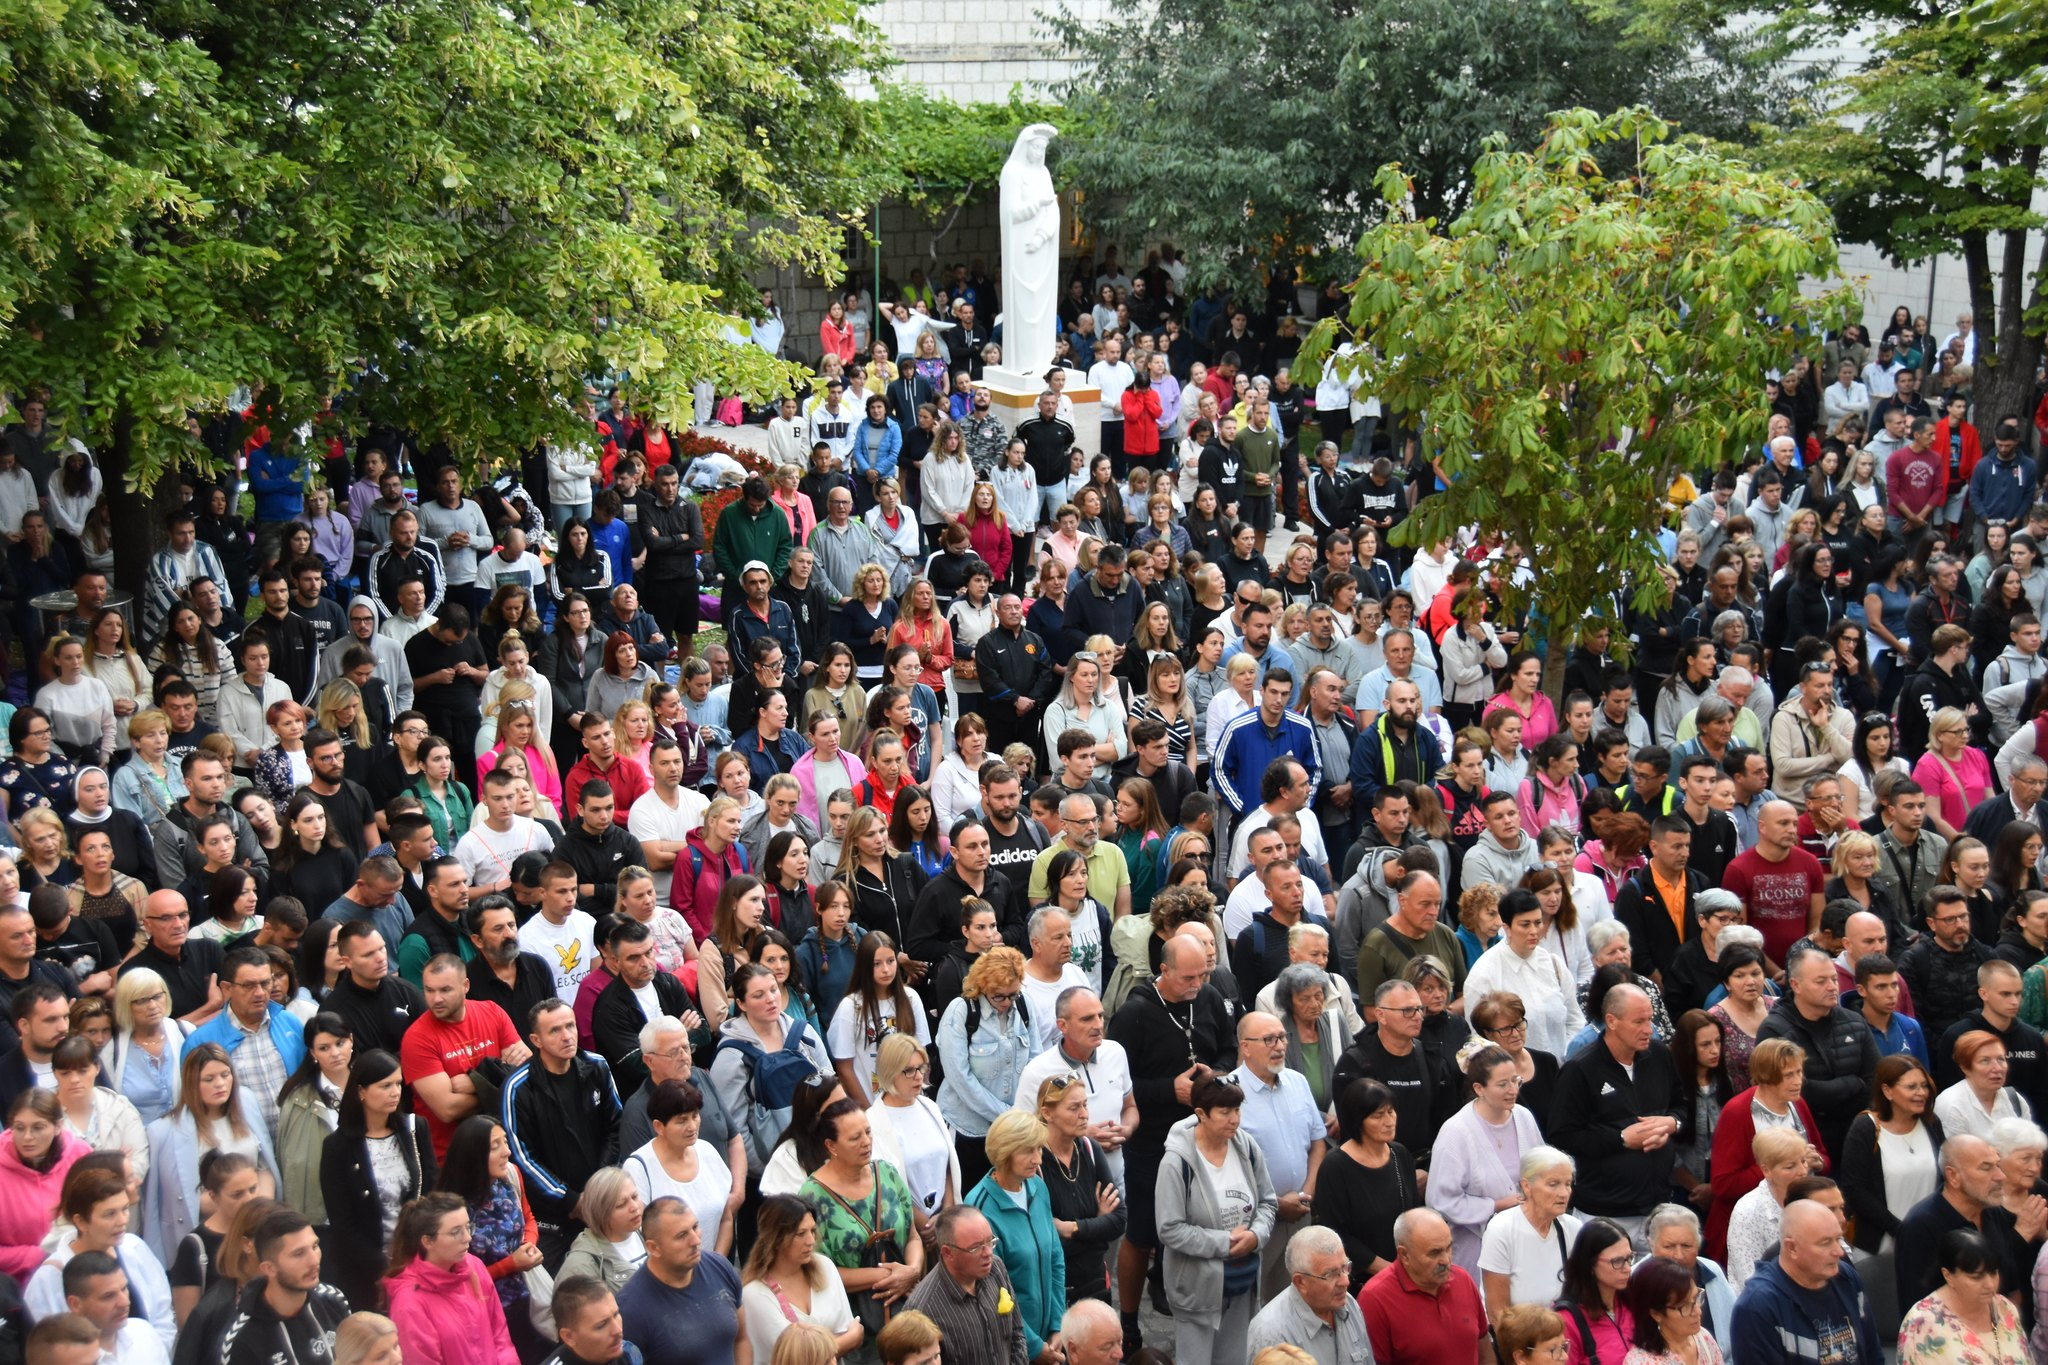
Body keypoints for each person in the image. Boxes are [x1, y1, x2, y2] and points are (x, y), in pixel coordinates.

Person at [1550, 984, 1688, 1245]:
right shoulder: (1580, 1069)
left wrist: (1672, 1123)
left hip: (1657, 1208)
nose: (1649, 1029)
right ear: (1611, 1021)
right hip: (1604, 1214)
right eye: (1639, 1021)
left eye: (1650, 1019)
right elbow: (1562, 1135)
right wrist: (1621, 1138)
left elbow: (1681, 1107)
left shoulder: (1660, 1056)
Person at [501, 998, 622, 1265]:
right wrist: (571, 1201)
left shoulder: (597, 1066)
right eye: (555, 1030)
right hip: (553, 1217)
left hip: (601, 1200)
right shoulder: (519, 1087)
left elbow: (615, 1127)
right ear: (536, 1040)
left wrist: (597, 1191)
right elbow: (522, 1157)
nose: (567, 1036)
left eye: (571, 1026)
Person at [317, 1049, 438, 1310]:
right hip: (369, 1272)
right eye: (385, 1086)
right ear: (361, 1091)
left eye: (397, 1083)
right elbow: (343, 1223)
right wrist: (386, 1265)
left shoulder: (416, 1129)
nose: (395, 1092)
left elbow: (432, 1192)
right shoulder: (338, 1147)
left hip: (421, 1258)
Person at [1895, 1132, 2039, 1317]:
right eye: (1986, 1168)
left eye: (1998, 1165)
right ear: (1953, 1176)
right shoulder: (1920, 1226)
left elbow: (2011, 1288)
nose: (2000, 1176)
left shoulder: (1992, 1211)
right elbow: (1919, 1313)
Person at [1357, 1207, 1490, 1365]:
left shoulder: (1463, 1280)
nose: (1446, 1260)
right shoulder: (1375, 1299)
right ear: (1404, 1255)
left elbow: (1484, 1349)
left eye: (1449, 1248)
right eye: (1435, 1253)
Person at [1898, 1227, 2030, 1362]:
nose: (1990, 1284)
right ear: (1948, 1275)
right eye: (1976, 1277)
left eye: (1993, 1273)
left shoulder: (2005, 1308)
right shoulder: (1921, 1324)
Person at [1623, 1253, 1728, 1365]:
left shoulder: (1703, 1338)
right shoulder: (1641, 1362)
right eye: (1684, 1306)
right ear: (1656, 1314)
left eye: (1696, 1297)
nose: (1698, 1311)